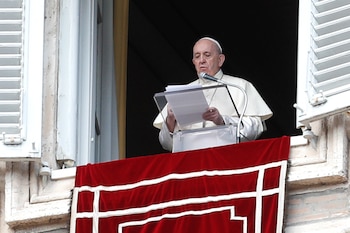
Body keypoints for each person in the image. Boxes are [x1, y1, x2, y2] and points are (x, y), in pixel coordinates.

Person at [153, 37, 273, 152]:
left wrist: (222, 121)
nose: (202, 61)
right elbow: (166, 144)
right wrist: (170, 120)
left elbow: (256, 128)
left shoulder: (240, 86)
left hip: (226, 158)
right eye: (197, 56)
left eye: (207, 55)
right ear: (194, 62)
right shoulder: (181, 92)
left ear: (220, 60)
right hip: (189, 162)